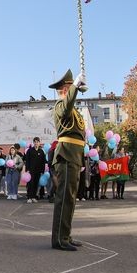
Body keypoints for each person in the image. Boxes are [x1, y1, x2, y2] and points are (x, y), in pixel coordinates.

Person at [49, 69, 88, 251]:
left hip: (74, 155)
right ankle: (59, 239)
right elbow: (65, 108)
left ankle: (66, 235)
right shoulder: (59, 106)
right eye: (71, 88)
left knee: (70, 199)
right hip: (65, 155)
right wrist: (75, 86)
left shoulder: (73, 110)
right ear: (65, 89)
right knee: (64, 198)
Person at [24, 137, 46, 203]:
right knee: (30, 184)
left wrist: (42, 171)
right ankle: (29, 197)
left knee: (36, 184)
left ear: (39, 143)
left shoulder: (41, 151)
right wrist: (27, 169)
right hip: (31, 171)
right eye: (35, 142)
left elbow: (43, 162)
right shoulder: (30, 151)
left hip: (38, 171)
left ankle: (33, 197)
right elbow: (27, 161)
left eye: (37, 142)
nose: (36, 143)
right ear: (33, 143)